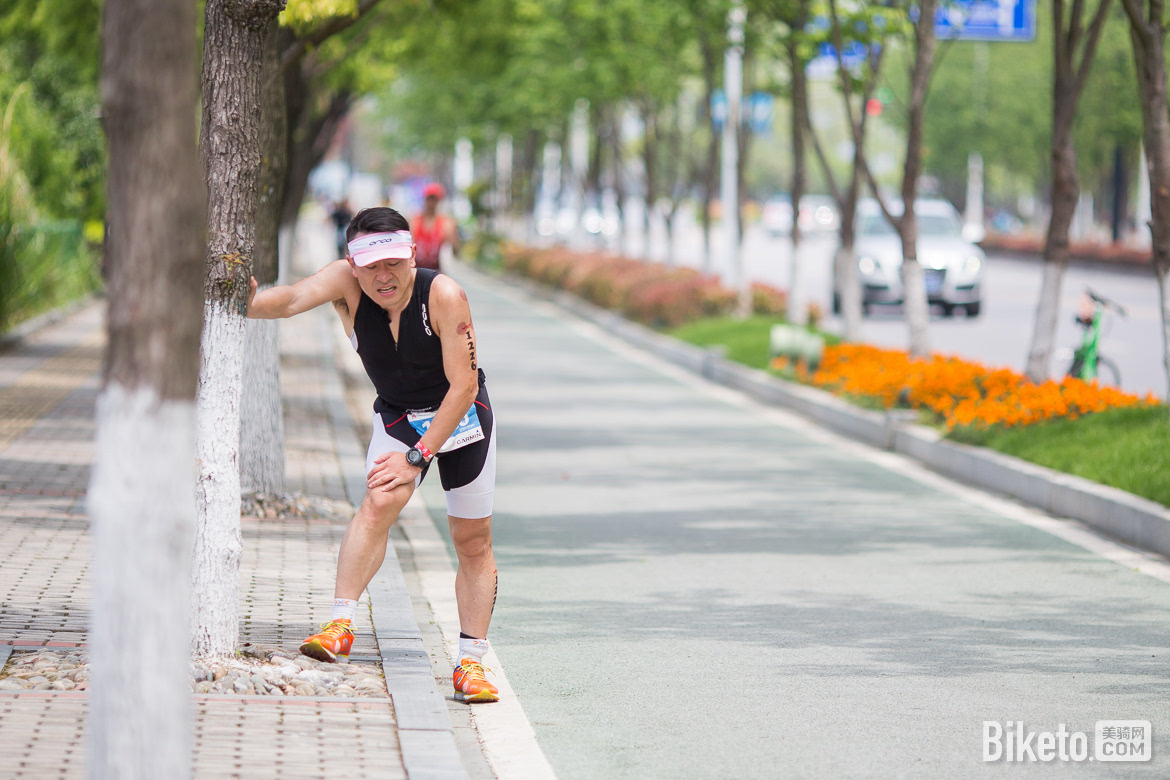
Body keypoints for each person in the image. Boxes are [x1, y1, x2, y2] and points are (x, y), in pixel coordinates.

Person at [246, 206, 500, 703]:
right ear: (353, 264)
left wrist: (419, 456)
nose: (383, 277)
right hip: (402, 416)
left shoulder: (444, 294)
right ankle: (340, 624)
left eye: (394, 264)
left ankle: (471, 662)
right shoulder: (347, 282)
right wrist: (238, 298)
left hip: (462, 416)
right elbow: (294, 298)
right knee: (378, 502)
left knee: (471, 539)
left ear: (411, 257)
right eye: (370, 266)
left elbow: (464, 385)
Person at [412, 182, 461, 271]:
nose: (431, 203)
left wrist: (453, 237)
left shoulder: (445, 223)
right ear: (425, 199)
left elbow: (455, 251)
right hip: (416, 271)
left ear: (438, 200)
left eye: (434, 199)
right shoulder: (414, 222)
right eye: (429, 199)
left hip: (436, 271)